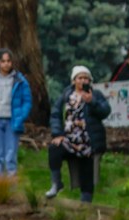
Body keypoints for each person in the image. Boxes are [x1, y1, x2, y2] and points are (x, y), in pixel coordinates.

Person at [47, 68, 111, 203]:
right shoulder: (66, 94)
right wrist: (57, 133)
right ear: (74, 80)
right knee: (54, 149)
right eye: (80, 78)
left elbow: (105, 111)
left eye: (86, 78)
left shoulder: (96, 94)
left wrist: (91, 102)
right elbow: (55, 114)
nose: (83, 81)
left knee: (87, 172)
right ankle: (56, 183)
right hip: (69, 139)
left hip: (88, 141)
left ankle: (86, 204)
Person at [0, 50, 34, 176]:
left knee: (11, 156)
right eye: (3, 61)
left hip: (13, 121)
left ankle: (11, 188)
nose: (6, 64)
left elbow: (27, 101)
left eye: (8, 61)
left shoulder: (20, 81)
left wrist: (21, 116)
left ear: (12, 62)